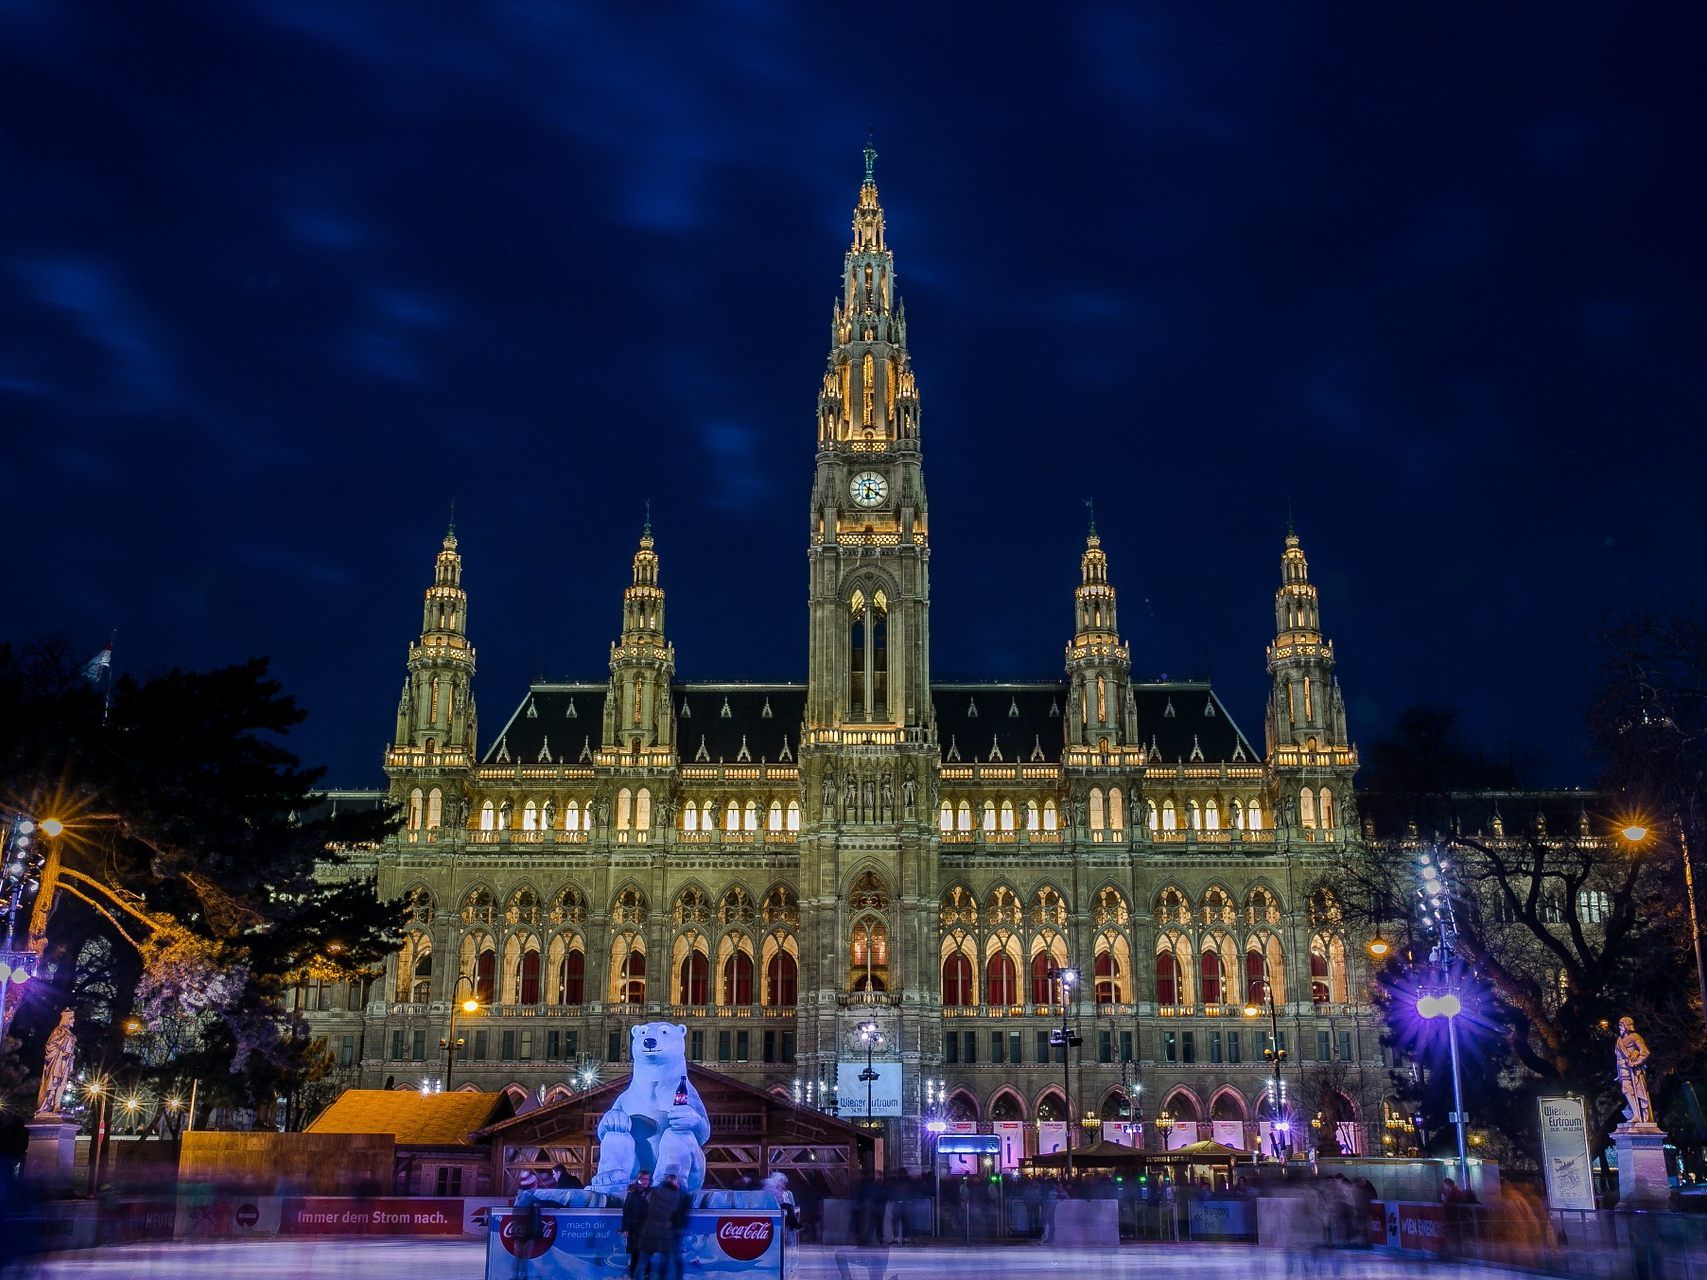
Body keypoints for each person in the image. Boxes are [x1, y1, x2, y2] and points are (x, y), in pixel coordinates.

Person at [641, 1167, 687, 1280]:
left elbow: (681, 1212)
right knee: (666, 1259)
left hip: (668, 1230)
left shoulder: (680, 1195)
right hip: (665, 1231)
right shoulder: (674, 1195)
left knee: (670, 1258)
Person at [621, 1170, 652, 1279]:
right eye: (643, 1179)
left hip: (648, 1231)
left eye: (647, 1179)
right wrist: (625, 1228)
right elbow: (626, 1212)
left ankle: (646, 1276)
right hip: (635, 1230)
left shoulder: (651, 1193)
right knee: (636, 1256)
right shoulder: (632, 1194)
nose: (645, 1181)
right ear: (638, 1179)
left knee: (646, 1257)